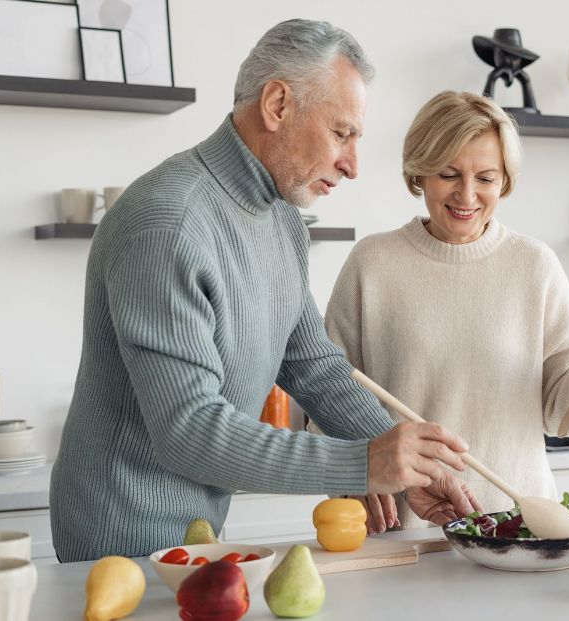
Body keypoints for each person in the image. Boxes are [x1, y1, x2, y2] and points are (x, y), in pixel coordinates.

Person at [49, 20, 478, 563]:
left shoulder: (282, 222)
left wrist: (411, 469)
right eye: (342, 133)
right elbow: (188, 430)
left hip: (197, 531)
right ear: (277, 105)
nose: (352, 165)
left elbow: (313, 366)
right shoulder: (167, 223)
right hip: (117, 542)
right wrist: (363, 463)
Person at [316, 91, 569, 533]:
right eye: (448, 174)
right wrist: (351, 471)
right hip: (405, 532)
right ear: (419, 173)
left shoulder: (534, 265)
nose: (467, 195)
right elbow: (325, 393)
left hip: (520, 530)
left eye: (486, 178)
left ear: (504, 181)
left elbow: (566, 418)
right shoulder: (372, 263)